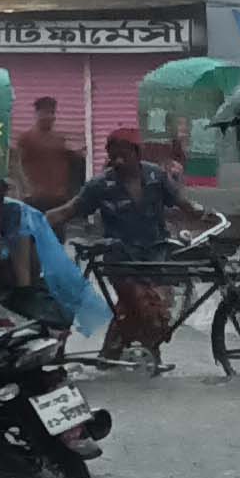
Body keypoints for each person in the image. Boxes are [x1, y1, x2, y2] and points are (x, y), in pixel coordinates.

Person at [64, 129, 190, 367]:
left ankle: (113, 359)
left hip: (154, 255)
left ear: (136, 153)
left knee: (140, 312)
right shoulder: (101, 185)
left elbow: (183, 203)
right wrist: (36, 222)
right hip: (120, 259)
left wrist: (206, 216)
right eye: (114, 155)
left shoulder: (156, 176)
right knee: (147, 308)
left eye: (124, 154)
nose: (119, 160)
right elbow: (70, 210)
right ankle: (142, 357)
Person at [14, 95, 85, 214]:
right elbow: (17, 165)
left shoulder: (59, 140)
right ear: (37, 114)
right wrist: (25, 189)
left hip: (58, 198)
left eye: (52, 113)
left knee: (57, 230)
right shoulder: (26, 139)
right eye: (45, 113)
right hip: (35, 198)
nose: (49, 117)